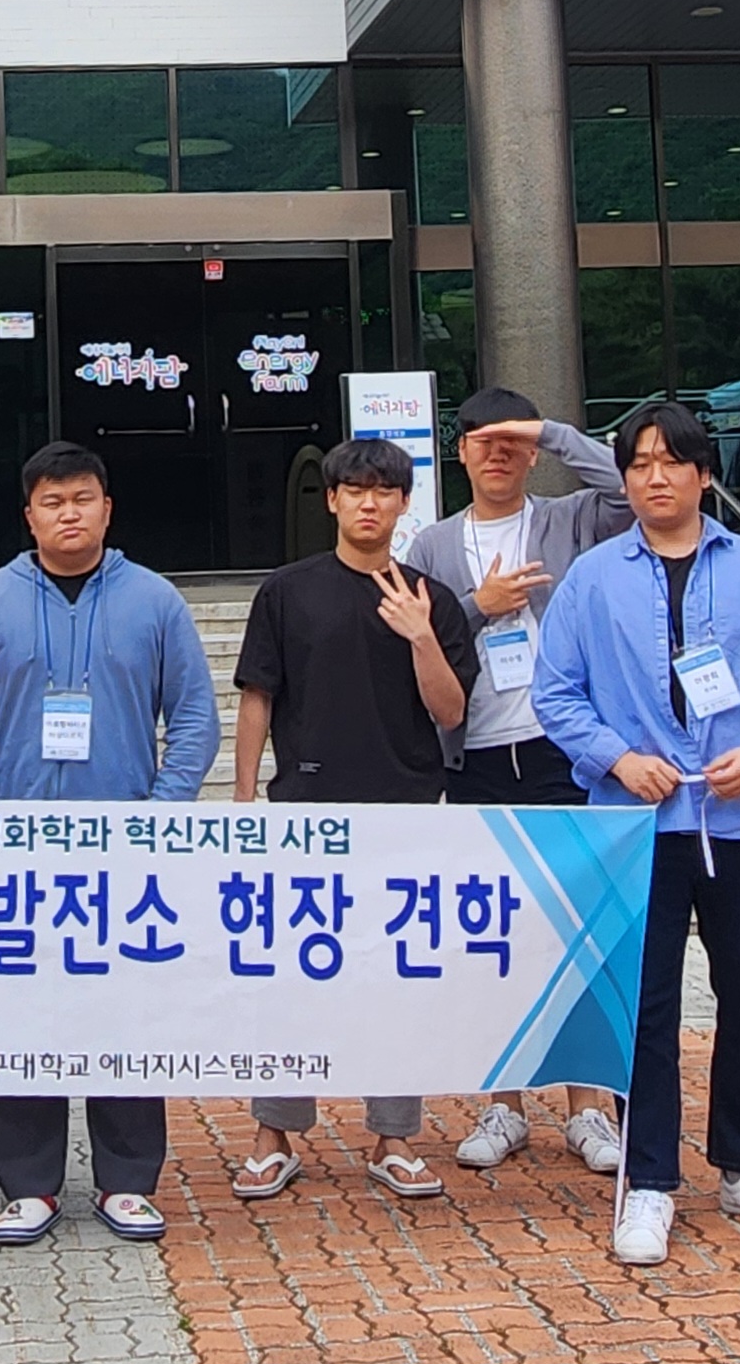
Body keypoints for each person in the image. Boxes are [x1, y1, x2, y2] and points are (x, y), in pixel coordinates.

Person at [533, 399, 740, 1268]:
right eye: (638, 464)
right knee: (644, 1008)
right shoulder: (592, 578)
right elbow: (556, 690)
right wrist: (615, 758)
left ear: (704, 475)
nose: (654, 478)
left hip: (739, 820)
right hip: (636, 827)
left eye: (671, 462)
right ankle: (649, 1179)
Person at [0, 442, 220, 1248]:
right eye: (52, 502)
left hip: (123, 850)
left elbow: (193, 717)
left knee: (123, 1013)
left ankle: (127, 1181)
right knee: (19, 1015)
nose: (69, 514)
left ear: (107, 508)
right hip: (17, 851)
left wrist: (158, 817)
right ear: (28, 516)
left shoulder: (154, 600)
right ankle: (26, 1184)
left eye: (83, 499)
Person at [226, 436, 476, 1204]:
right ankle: (273, 1134)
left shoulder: (432, 599)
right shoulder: (287, 591)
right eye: (355, 490)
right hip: (302, 813)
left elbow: (450, 711)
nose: (369, 503)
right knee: (286, 975)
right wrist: (244, 797)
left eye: (384, 491)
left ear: (404, 503)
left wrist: (420, 634)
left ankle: (393, 1137)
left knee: (394, 978)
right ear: (331, 500)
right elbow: (258, 696)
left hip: (404, 813)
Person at [406, 386, 632, 1177]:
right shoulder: (432, 545)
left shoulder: (568, 520)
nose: (497, 454)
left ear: (532, 451)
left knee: (578, 930)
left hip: (562, 751)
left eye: (512, 442)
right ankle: (501, 1103)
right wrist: (480, 605)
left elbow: (626, 486)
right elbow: (421, 637)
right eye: (482, 441)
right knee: (492, 935)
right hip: (474, 755)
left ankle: (586, 1107)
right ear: (458, 452)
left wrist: (554, 430)